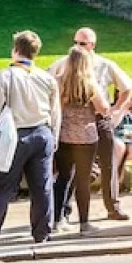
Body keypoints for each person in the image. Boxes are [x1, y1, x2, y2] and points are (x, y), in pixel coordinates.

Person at [0, 31, 61, 247]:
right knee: (42, 187)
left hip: (14, 135)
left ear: (15, 50)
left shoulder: (5, 76)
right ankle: (42, 232)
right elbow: (56, 112)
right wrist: (54, 137)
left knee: (1, 187)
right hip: (42, 133)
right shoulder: (46, 78)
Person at [52, 45, 111, 234]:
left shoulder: (60, 82)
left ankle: (57, 220)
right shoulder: (90, 84)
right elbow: (103, 108)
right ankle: (84, 223)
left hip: (64, 136)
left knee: (62, 177)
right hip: (86, 137)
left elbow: (56, 109)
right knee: (83, 180)